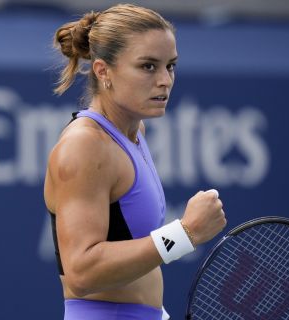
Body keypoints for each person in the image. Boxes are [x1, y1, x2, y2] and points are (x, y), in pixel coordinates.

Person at [44, 4, 226, 320]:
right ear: (103, 71)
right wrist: (185, 234)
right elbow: (81, 273)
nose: (164, 80)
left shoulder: (134, 131)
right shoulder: (85, 145)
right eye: (147, 66)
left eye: (170, 66)